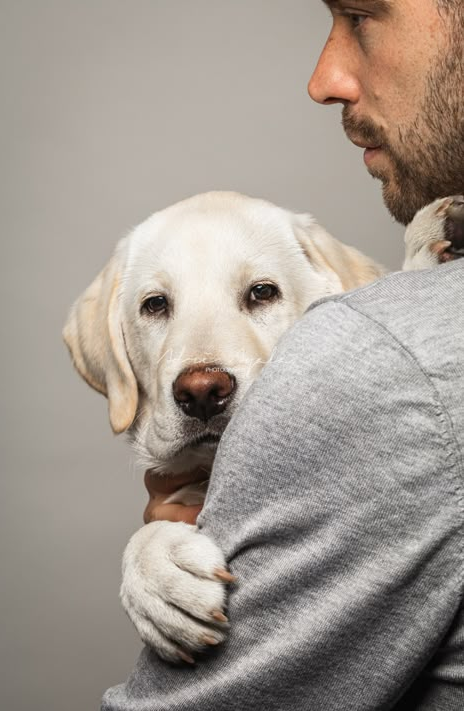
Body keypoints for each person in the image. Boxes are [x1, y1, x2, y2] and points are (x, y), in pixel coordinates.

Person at [102, 1, 464, 709]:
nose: (200, 374)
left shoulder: (376, 358)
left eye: (360, 15)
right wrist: (151, 552)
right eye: (156, 306)